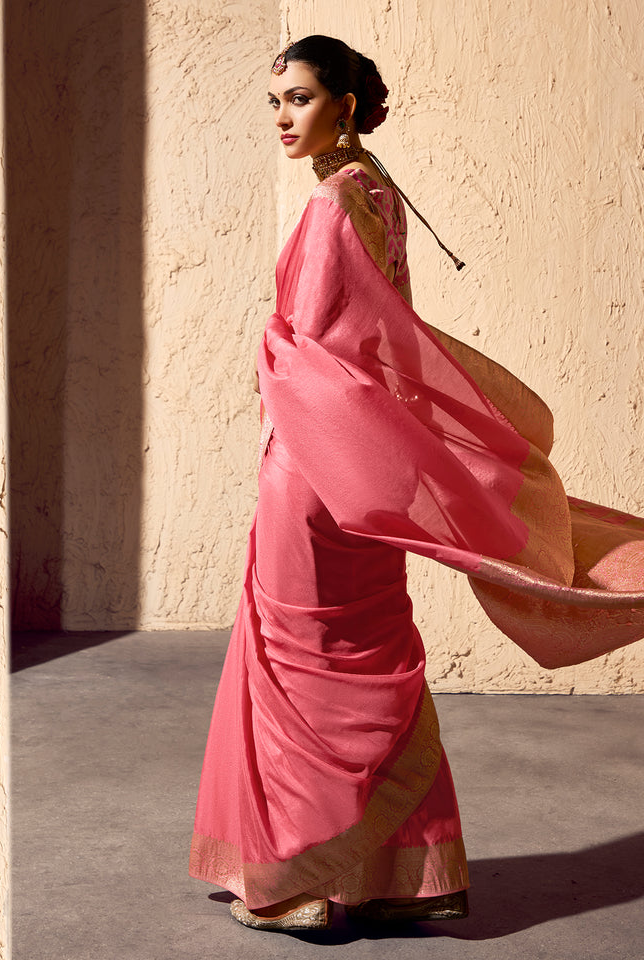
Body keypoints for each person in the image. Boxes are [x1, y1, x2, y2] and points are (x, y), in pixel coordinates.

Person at [189, 35, 644, 932]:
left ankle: (308, 888)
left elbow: (317, 349)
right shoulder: (380, 196)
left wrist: (266, 351)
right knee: (369, 658)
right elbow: (382, 346)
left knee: (303, 669)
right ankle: (404, 878)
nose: (284, 118)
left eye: (301, 99)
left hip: (313, 467)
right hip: (362, 468)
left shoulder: (329, 207)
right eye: (275, 102)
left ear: (346, 107)